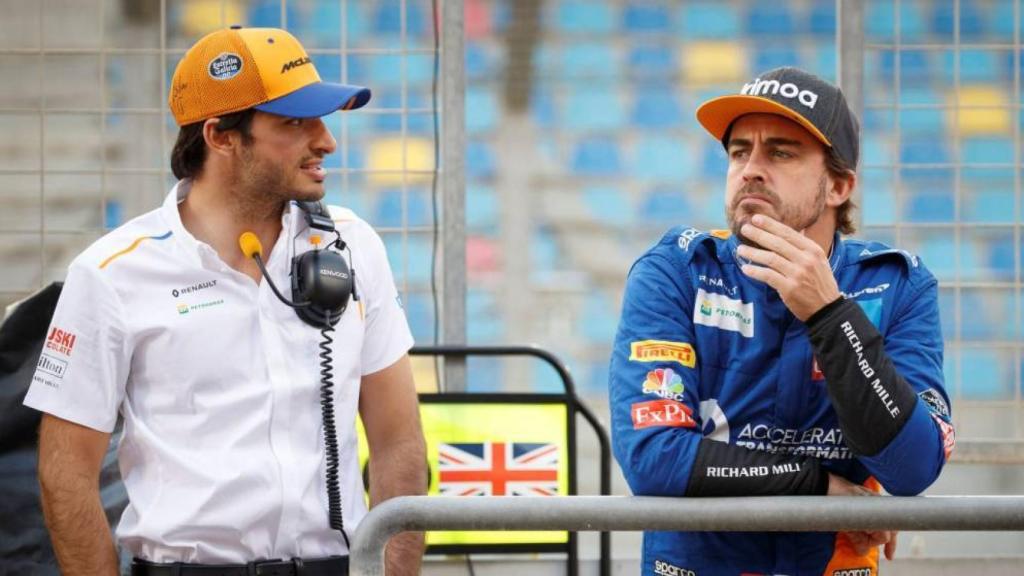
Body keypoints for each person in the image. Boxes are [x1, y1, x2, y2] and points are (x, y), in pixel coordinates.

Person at [24, 26, 426, 576]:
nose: (326, 140)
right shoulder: (110, 273)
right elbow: (65, 473)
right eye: (294, 122)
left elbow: (399, 442)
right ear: (220, 136)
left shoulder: (354, 246)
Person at [609, 67, 956, 576]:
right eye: (738, 152)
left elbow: (914, 467)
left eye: (780, 152)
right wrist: (818, 487)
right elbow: (652, 458)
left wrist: (829, 314)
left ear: (838, 185)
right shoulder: (676, 272)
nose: (750, 169)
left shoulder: (899, 285)